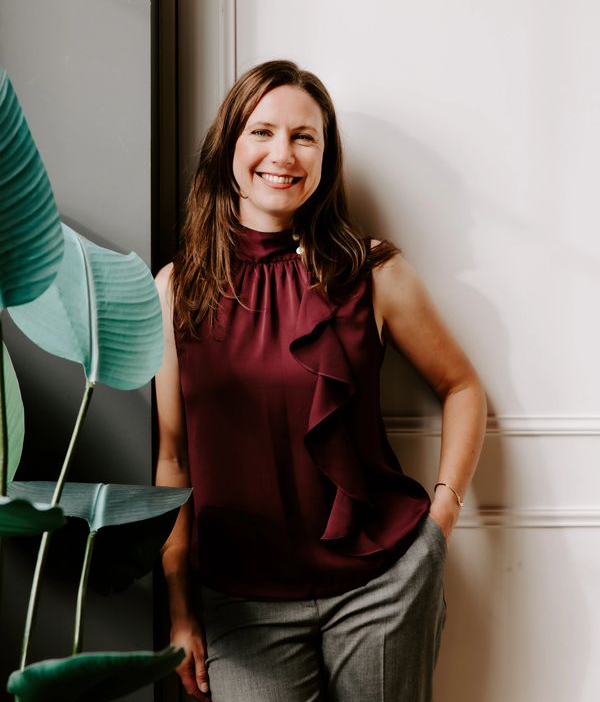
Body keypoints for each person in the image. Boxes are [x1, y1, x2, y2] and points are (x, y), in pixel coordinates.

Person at [155, 60, 487, 702]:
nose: (283, 153)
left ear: (325, 155)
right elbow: (173, 457)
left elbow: (463, 387)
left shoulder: (375, 272)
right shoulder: (177, 291)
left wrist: (441, 520)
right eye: (263, 132)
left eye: (304, 136)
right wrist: (179, 608)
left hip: (382, 585)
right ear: (229, 145)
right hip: (242, 606)